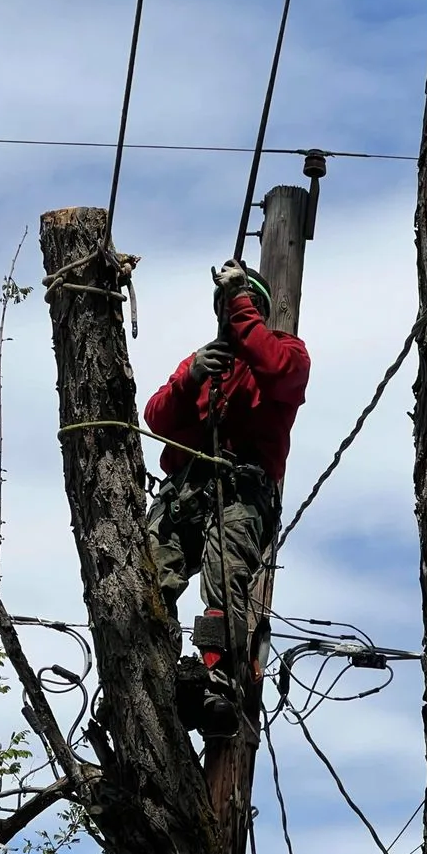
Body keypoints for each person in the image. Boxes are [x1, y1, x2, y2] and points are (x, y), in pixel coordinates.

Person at [144, 258, 311, 735]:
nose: (233, 313)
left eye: (241, 304)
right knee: (149, 577)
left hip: (241, 492)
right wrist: (191, 377)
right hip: (187, 493)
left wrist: (239, 299)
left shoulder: (287, 352)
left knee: (223, 580)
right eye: (228, 305)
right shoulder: (205, 364)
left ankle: (219, 679)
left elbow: (276, 369)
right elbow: (157, 417)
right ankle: (151, 675)